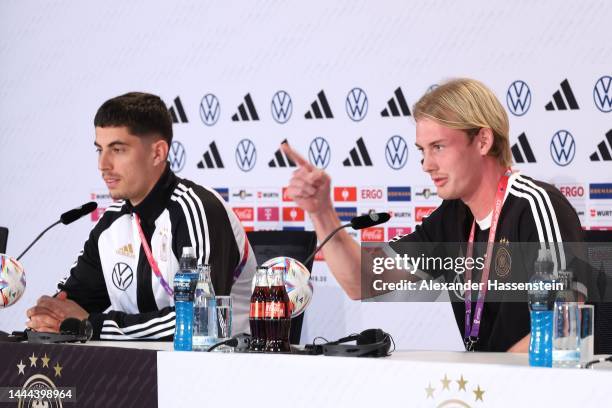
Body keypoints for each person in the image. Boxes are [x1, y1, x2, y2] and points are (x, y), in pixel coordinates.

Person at [282, 78, 587, 352]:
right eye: (422, 150)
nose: (426, 164)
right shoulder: (452, 217)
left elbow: (565, 327)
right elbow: (362, 280)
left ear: (483, 140)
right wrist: (321, 211)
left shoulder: (535, 206)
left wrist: (498, 383)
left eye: (438, 147)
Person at [26, 92, 256, 340]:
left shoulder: (197, 209)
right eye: (99, 149)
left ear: (157, 153)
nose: (103, 164)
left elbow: (202, 321)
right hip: (133, 372)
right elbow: (68, 305)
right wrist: (47, 318)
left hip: (218, 371)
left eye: (117, 149)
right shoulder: (111, 224)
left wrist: (94, 327)